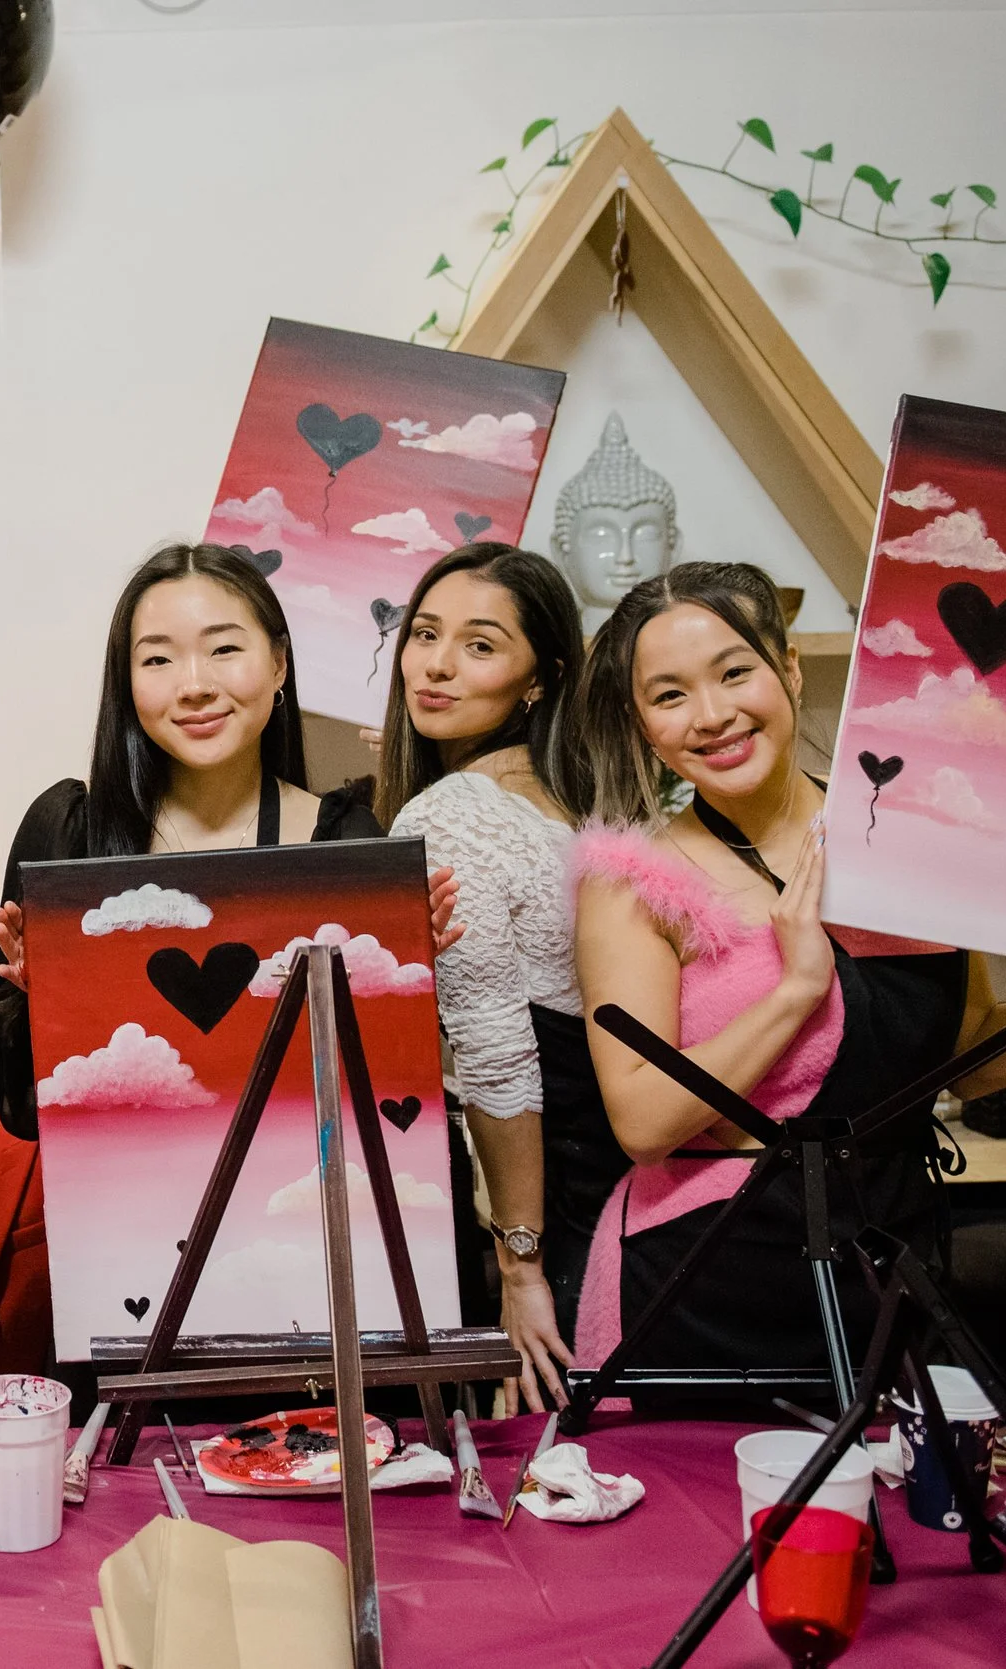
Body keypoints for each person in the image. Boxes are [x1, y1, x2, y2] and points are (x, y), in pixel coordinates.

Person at [567, 562, 1006, 1382]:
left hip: (892, 1264)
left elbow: (974, 1055)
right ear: (641, 722)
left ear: (789, 670)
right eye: (670, 694)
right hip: (699, 1281)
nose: (714, 714)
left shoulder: (914, 842)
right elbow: (644, 1121)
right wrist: (799, 988)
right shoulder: (631, 880)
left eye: (735, 672)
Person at [0, 542, 454, 1379]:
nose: (194, 682)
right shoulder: (71, 835)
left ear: (280, 662)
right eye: (158, 658)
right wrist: (51, 1009)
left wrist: (399, 981)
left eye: (225, 647)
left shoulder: (345, 840)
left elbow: (390, 1110)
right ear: (126, 682)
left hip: (309, 1278)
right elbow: (24, 1116)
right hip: (116, 1281)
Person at [373, 541, 613, 1411]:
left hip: (564, 1187)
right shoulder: (582, 798)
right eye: (425, 633)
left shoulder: (449, 816)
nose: (435, 665)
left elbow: (500, 1055)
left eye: (479, 645)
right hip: (625, 1165)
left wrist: (521, 1266)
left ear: (540, 679)